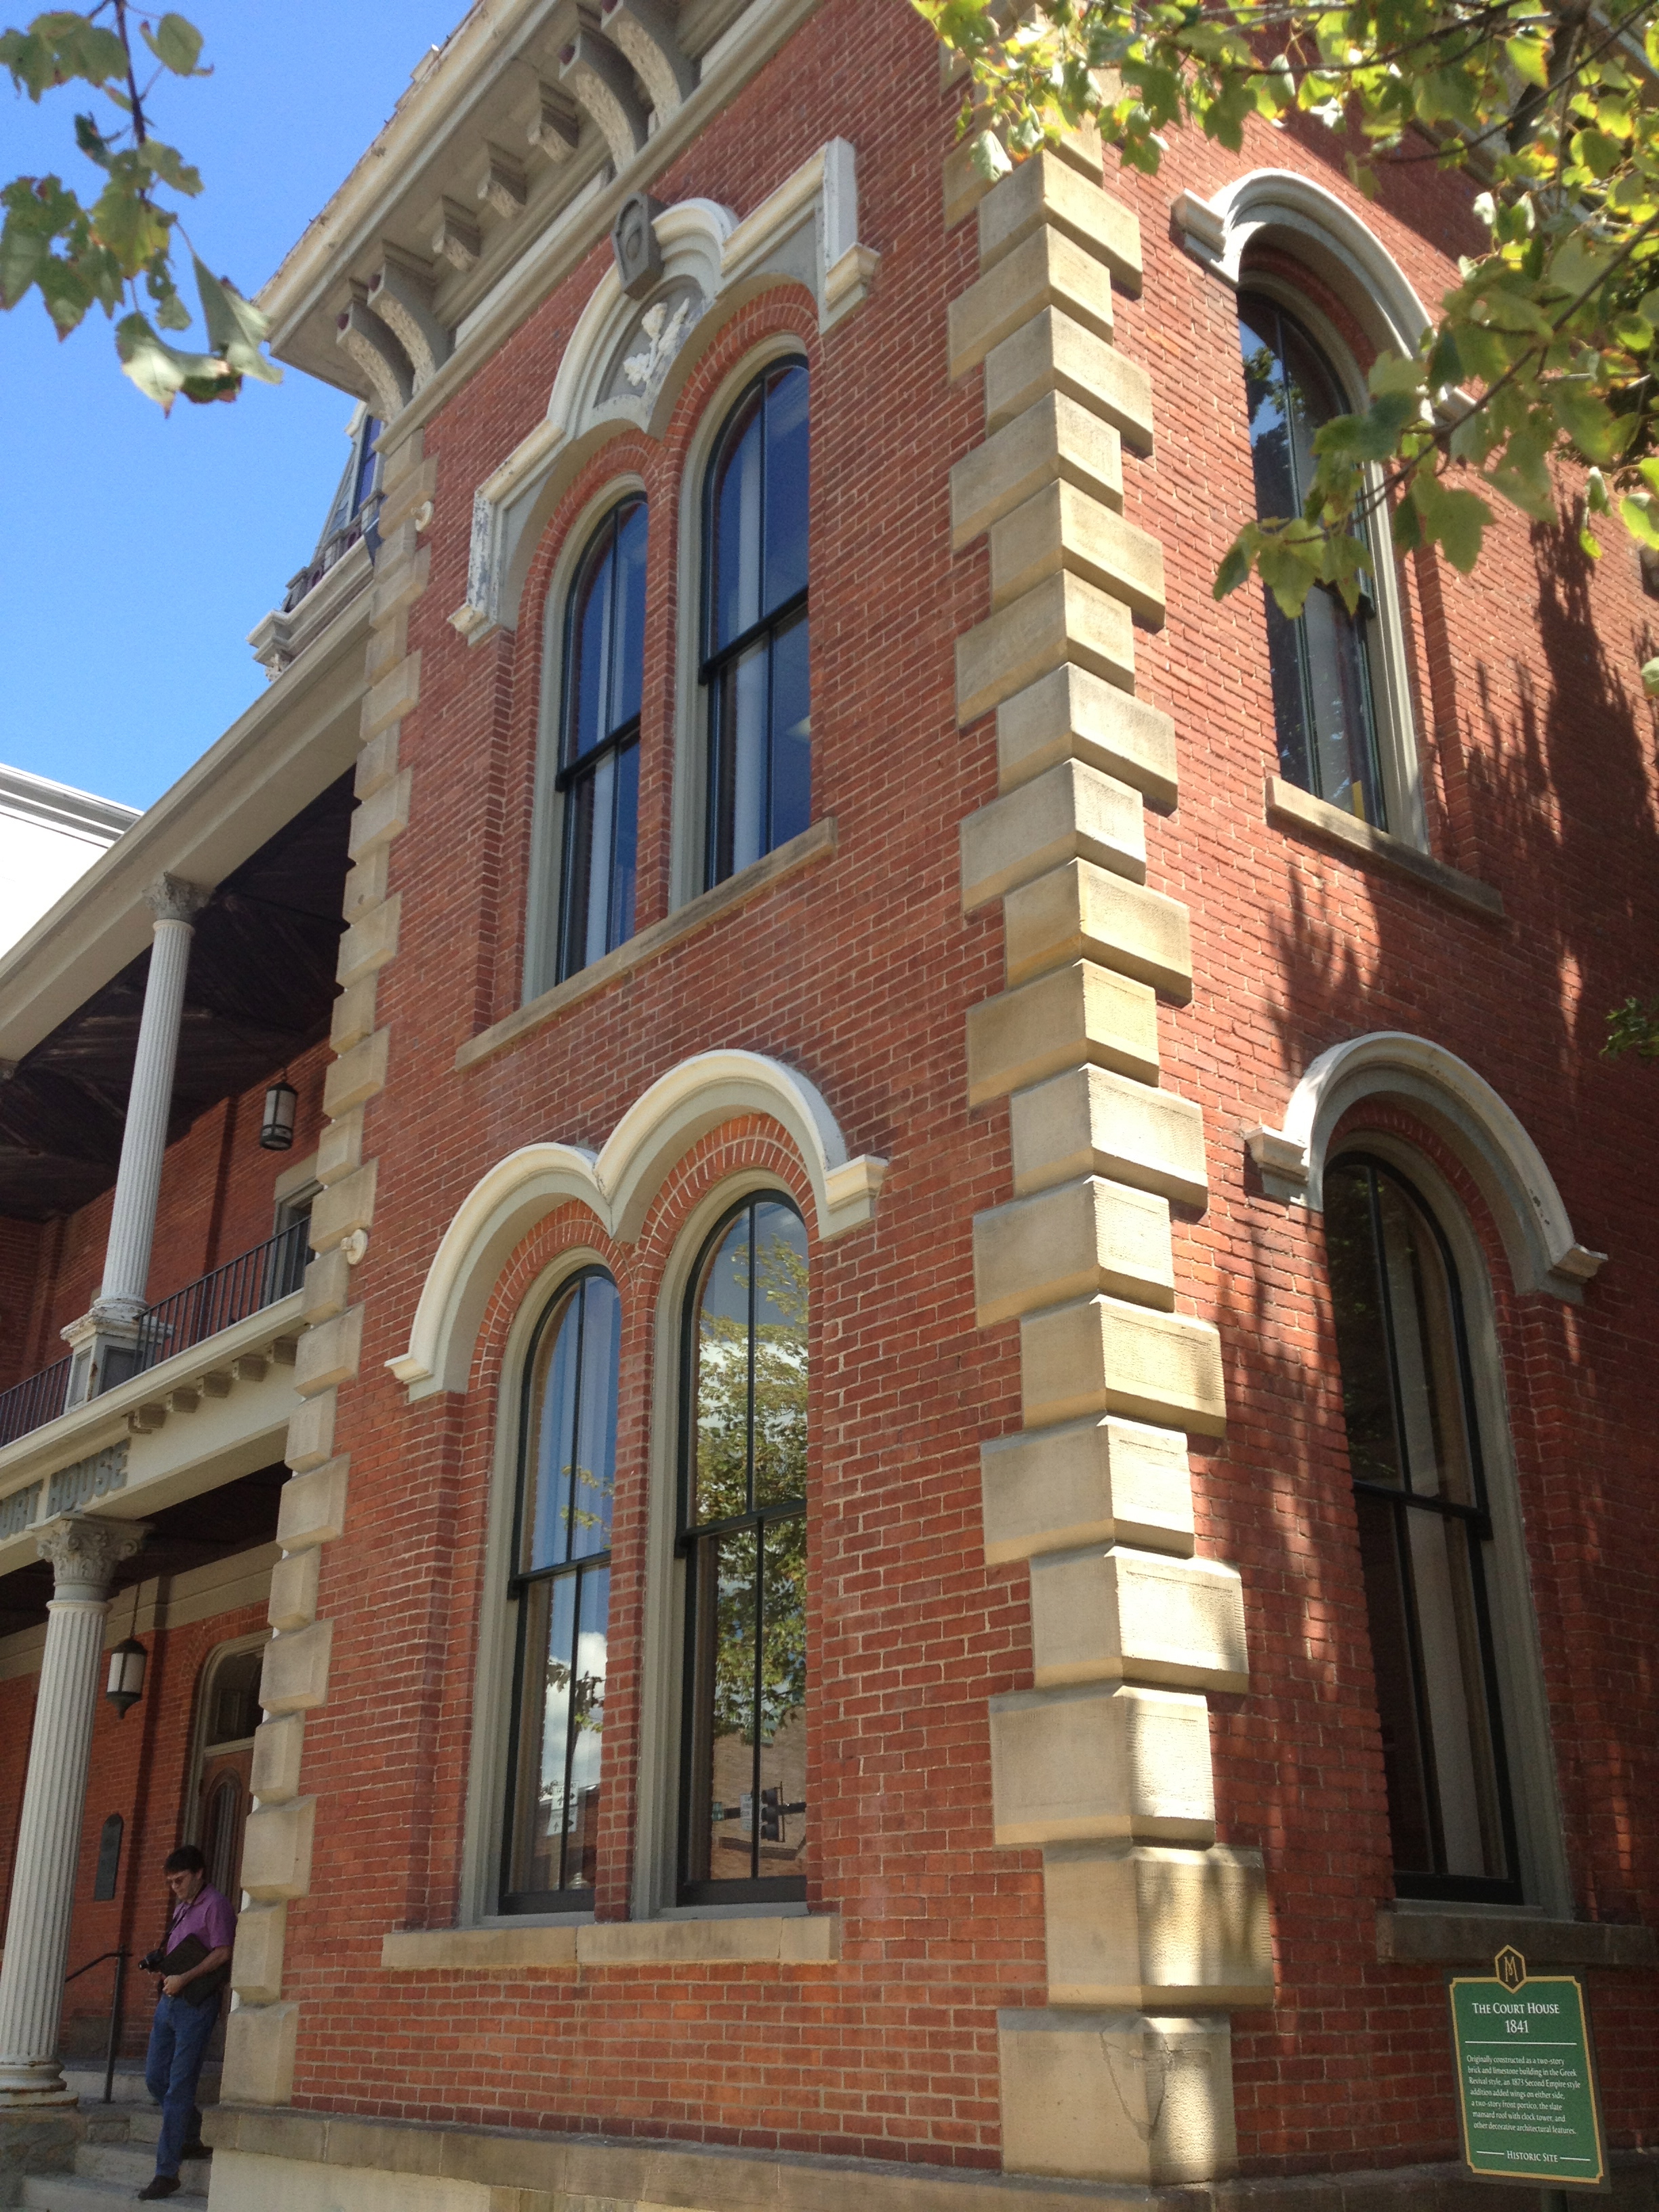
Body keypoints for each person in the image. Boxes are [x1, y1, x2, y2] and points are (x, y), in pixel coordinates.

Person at [136, 1844, 234, 2202]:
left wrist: (186, 1977)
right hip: (170, 2002)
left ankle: (167, 2173)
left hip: (195, 2005)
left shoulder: (216, 1906)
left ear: (199, 1874)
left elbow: (223, 1952)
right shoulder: (181, 1909)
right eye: (170, 1882)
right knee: (155, 2079)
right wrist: (163, 1970)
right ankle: (190, 2135)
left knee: (179, 2087)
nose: (174, 1887)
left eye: (180, 1880)